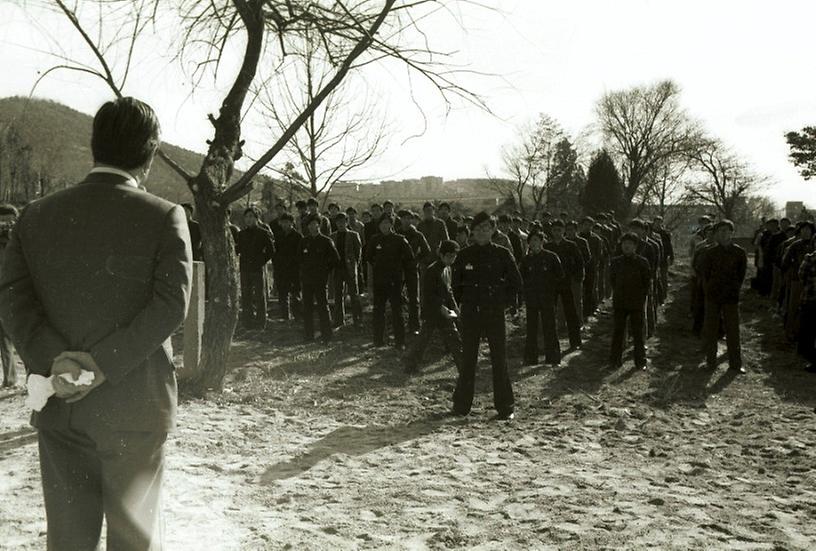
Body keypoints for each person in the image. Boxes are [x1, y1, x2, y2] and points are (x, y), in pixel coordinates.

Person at [0, 97, 192, 550]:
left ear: (94, 145)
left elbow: (11, 296)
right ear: (150, 151)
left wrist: (56, 362)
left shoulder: (36, 215)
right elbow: (170, 306)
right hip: (136, 403)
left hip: (61, 403)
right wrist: (102, 364)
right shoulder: (165, 215)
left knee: (68, 540)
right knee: (134, 541)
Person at [451, 212, 522, 420]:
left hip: (494, 313)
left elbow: (516, 283)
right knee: (468, 359)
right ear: (472, 231)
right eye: (478, 228)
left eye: (486, 228)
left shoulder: (502, 254)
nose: (482, 232)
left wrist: (503, 303)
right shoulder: (464, 256)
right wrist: (460, 306)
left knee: (499, 358)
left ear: (493, 230)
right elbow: (455, 286)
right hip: (471, 313)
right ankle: (461, 405)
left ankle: (505, 407)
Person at [403, 240, 463, 374]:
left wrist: (454, 307)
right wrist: (441, 308)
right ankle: (410, 366)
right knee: (423, 340)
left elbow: (449, 291)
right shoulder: (432, 270)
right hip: (432, 311)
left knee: (454, 339)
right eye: (449, 256)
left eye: (454, 256)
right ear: (441, 255)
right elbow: (428, 294)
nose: (452, 259)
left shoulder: (448, 269)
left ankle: (463, 368)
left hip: (444, 312)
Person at [699, 220, 747, 373]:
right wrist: (709, 291)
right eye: (720, 231)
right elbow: (704, 275)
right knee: (711, 329)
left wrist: (734, 289)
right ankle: (710, 362)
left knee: (733, 330)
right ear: (716, 234)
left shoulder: (739, 252)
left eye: (726, 231)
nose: (723, 233)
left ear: (732, 233)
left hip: (731, 296)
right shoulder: (710, 252)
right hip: (713, 296)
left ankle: (735, 364)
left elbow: (741, 274)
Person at [366, 213, 415, 348]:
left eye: (387, 223)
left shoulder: (399, 240)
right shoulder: (374, 240)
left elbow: (410, 259)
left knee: (396, 312)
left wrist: (402, 274)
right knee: (378, 311)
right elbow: (369, 257)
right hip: (379, 281)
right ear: (379, 225)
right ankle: (378, 341)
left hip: (395, 281)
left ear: (392, 225)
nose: (385, 226)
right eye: (382, 224)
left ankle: (400, 342)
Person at [519, 231, 564, 367]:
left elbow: (560, 276)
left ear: (542, 241)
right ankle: (530, 358)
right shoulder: (526, 260)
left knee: (549, 326)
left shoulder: (551, 257)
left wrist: (552, 290)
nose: (534, 243)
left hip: (547, 297)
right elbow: (521, 278)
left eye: (537, 240)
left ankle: (553, 358)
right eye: (531, 241)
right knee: (531, 328)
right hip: (532, 298)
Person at [609, 233, 652, 369]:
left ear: (635, 246)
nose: (626, 246)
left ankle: (640, 362)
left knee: (638, 334)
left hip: (636, 302)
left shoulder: (642, 262)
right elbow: (613, 281)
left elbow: (646, 283)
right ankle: (614, 360)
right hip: (620, 302)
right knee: (618, 332)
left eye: (630, 244)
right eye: (624, 244)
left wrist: (640, 297)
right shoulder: (616, 262)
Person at [298, 215, 341, 343]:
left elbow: (335, 259)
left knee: (323, 307)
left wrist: (325, 271)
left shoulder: (326, 241)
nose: (312, 227)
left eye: (315, 224)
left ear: (319, 225)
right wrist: (304, 271)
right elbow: (299, 259)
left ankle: (326, 336)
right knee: (307, 307)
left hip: (320, 279)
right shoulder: (304, 241)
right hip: (307, 279)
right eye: (310, 225)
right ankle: (308, 336)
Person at [543, 219, 583, 350]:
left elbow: (579, 263)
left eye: (559, 230)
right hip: (551, 284)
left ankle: (575, 341)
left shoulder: (571, 246)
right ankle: (549, 342)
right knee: (549, 312)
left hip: (567, 283)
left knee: (571, 312)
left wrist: (577, 279)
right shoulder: (548, 247)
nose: (557, 233)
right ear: (551, 231)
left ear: (563, 231)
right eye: (554, 230)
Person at [237, 206, 276, 330]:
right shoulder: (241, 234)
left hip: (257, 268)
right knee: (246, 294)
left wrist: (261, 260)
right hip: (245, 268)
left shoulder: (263, 233)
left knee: (260, 295)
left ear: (256, 218)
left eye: (251, 217)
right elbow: (237, 249)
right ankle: (247, 322)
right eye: (246, 217)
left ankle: (260, 322)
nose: (248, 219)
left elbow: (271, 250)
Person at [398, 209, 431, 333]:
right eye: (404, 218)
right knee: (397, 297)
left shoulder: (417, 235)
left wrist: (417, 260)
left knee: (414, 298)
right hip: (398, 269)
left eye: (409, 218)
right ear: (400, 219)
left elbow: (426, 251)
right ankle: (399, 324)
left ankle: (415, 326)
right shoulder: (396, 233)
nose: (406, 221)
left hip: (412, 268)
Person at [331, 212, 363, 328]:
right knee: (338, 296)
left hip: (349, 269)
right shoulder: (332, 236)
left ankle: (357, 320)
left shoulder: (354, 235)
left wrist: (353, 265)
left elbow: (358, 253)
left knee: (354, 295)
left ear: (346, 222)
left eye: (343, 222)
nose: (340, 224)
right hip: (337, 270)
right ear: (336, 223)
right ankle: (339, 320)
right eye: (338, 222)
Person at [0, 204, 18, 387]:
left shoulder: (20, 239)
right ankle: (10, 378)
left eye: (9, 221)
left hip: (16, 296)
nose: (5, 225)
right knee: (3, 339)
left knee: (22, 337)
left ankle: (33, 378)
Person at [272, 213, 302, 320]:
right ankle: (285, 316)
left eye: (287, 222)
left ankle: (297, 316)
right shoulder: (278, 236)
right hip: (281, 269)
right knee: (283, 293)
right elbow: (274, 253)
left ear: (292, 223)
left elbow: (300, 254)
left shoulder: (298, 236)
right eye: (283, 222)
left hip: (294, 269)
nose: (285, 225)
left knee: (295, 294)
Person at [797, 248, 816, 373]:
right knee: (807, 332)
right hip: (811, 300)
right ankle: (813, 359)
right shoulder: (810, 258)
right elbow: (801, 275)